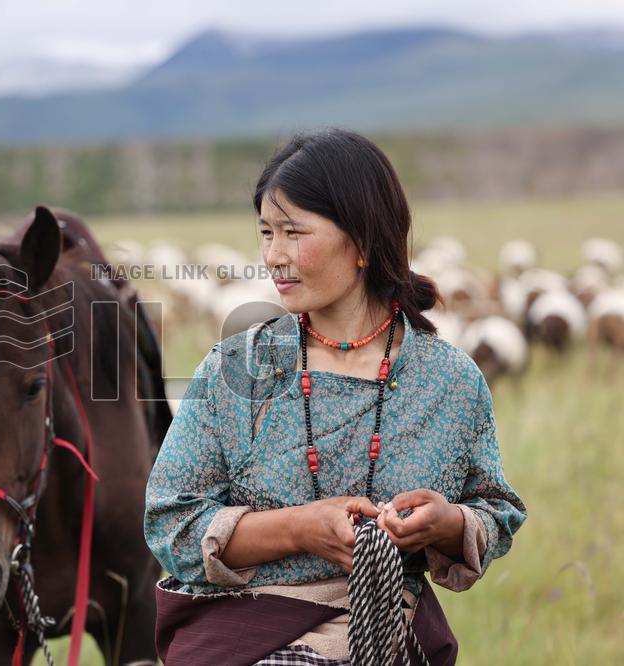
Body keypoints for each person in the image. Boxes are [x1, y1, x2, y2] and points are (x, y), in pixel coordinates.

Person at [143, 127, 527, 665]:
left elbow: (493, 512)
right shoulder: (237, 369)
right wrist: (297, 529)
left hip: (388, 637)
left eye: (293, 233)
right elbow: (171, 524)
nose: (273, 256)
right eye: (266, 233)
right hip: (247, 638)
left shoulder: (449, 381)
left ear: (363, 240)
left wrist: (448, 525)